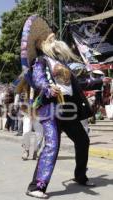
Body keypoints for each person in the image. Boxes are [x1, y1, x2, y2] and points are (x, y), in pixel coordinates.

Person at [19, 15, 104, 198]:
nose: (52, 38)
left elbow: (77, 84)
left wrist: (97, 80)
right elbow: (39, 81)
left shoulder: (62, 63)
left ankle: (80, 176)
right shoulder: (40, 62)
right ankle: (36, 186)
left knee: (83, 141)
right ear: (40, 44)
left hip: (68, 109)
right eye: (48, 37)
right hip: (51, 108)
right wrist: (49, 89)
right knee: (52, 146)